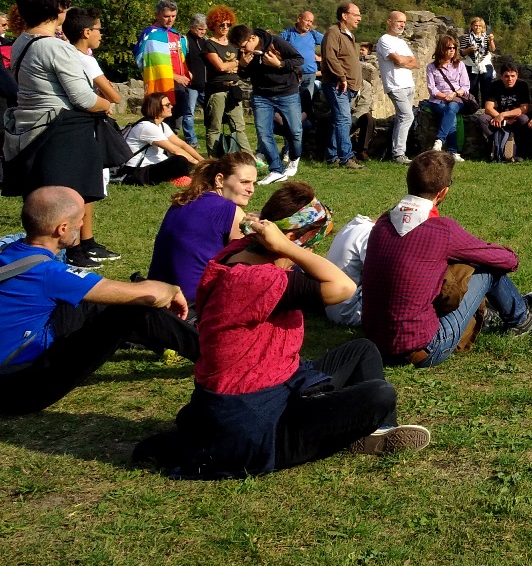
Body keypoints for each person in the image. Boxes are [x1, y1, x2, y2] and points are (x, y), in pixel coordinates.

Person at [135, 184, 430, 477]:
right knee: (379, 394)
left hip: (277, 384)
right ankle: (354, 431)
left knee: (362, 350)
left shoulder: (237, 253)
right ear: (284, 239)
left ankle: (379, 431)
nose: (308, 254)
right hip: (254, 423)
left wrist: (268, 231)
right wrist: (287, 247)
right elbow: (344, 287)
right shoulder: (259, 281)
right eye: (310, 245)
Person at [0, 186, 197, 416]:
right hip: (18, 387)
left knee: (96, 302)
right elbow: (148, 295)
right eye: (80, 219)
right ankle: (219, 359)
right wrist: (170, 289)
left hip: (17, 357)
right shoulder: (49, 273)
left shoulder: (9, 250)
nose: (82, 225)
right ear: (62, 228)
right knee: (134, 309)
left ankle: (157, 337)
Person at [361, 151, 532, 367]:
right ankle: (522, 319)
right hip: (423, 348)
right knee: (489, 269)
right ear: (443, 192)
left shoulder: (382, 224)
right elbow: (506, 260)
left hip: (374, 343)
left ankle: (495, 311)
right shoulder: (442, 230)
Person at [2, 0, 121, 267]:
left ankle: (51, 258)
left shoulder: (22, 42)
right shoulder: (56, 48)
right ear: (58, 8)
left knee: (45, 203)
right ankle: (65, 259)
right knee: (65, 203)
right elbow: (83, 98)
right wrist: (108, 105)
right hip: (61, 134)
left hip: (33, 131)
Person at [149, 152, 258, 304]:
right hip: (192, 304)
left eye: (254, 183)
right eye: (245, 182)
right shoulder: (229, 211)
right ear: (220, 180)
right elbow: (250, 266)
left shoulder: (183, 201)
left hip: (155, 296)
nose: (251, 189)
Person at [231, 23, 305, 182]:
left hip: (287, 92)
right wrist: (242, 66)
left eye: (244, 47)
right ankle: (277, 169)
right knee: (263, 133)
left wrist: (280, 64)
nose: (243, 51)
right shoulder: (244, 50)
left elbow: (299, 60)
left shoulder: (275, 42)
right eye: (240, 48)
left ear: (252, 38)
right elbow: (244, 76)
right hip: (261, 95)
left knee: (295, 131)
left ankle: (294, 158)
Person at [119, 92, 204, 187]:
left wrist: (202, 160)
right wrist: (199, 164)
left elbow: (182, 144)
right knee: (180, 160)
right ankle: (177, 178)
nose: (171, 106)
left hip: (155, 164)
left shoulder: (162, 125)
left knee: (183, 160)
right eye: (167, 105)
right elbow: (175, 150)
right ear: (156, 107)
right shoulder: (146, 127)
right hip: (138, 170)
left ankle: (180, 177)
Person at [321, 1, 365, 170]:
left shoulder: (349, 35)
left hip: (348, 86)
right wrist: (342, 77)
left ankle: (333, 156)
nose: (359, 18)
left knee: (338, 121)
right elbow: (330, 57)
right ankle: (346, 157)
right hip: (337, 85)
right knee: (344, 120)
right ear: (344, 16)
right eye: (356, 14)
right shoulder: (334, 32)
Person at [200, 6, 249, 154]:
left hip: (234, 88)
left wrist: (235, 66)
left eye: (228, 24)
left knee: (239, 126)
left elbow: (243, 65)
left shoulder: (233, 43)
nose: (225, 27)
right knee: (214, 127)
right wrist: (236, 64)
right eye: (222, 24)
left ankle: (249, 158)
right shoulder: (209, 44)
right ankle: (213, 160)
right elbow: (220, 67)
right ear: (213, 25)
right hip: (217, 90)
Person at [376, 11, 419, 164]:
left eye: (404, 22)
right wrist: (404, 60)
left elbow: (416, 63)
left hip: (408, 84)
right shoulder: (384, 40)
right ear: (389, 22)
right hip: (395, 85)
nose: (402, 25)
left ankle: (398, 151)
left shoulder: (401, 42)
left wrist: (403, 60)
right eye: (399, 21)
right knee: (407, 116)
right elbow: (398, 60)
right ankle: (398, 154)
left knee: (403, 118)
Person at [134, 0, 191, 110]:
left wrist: (186, 73)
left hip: (180, 86)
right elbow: (149, 63)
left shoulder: (175, 35)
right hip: (161, 86)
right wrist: (174, 76)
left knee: (176, 123)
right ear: (157, 15)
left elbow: (181, 57)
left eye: (173, 16)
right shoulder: (150, 35)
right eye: (166, 16)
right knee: (161, 119)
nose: (170, 20)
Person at [65, 6, 123, 109]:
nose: (101, 35)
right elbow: (116, 98)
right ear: (87, 32)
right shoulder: (86, 60)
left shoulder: (66, 54)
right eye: (99, 30)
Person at [424, 35, 470, 160]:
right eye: (449, 48)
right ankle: (453, 152)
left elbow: (465, 86)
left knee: (451, 108)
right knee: (451, 116)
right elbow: (432, 89)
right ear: (441, 49)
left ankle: (439, 140)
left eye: (454, 48)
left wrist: (453, 94)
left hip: (457, 98)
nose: (452, 50)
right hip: (438, 100)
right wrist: (444, 96)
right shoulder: (431, 67)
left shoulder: (459, 65)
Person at [323, 213, 374, 326]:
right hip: (348, 311)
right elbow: (383, 274)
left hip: (332, 302)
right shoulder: (369, 234)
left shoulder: (355, 226)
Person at [475, 62, 532, 162]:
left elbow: (524, 108)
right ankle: (491, 151)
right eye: (506, 76)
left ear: (517, 75)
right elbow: (488, 108)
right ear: (501, 76)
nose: (510, 79)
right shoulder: (494, 85)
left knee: (524, 119)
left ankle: (519, 153)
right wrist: (503, 119)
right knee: (482, 119)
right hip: (497, 119)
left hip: (514, 118)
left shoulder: (522, 85)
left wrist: (504, 115)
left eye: (512, 76)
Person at [281, 10, 324, 132]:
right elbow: (276, 46)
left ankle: (306, 129)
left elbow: (329, 42)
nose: (309, 24)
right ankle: (292, 127)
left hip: (310, 75)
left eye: (311, 21)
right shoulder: (287, 34)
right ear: (299, 19)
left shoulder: (313, 35)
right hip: (293, 75)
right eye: (307, 20)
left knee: (307, 103)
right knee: (292, 103)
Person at [180, 12, 210, 146]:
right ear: (192, 27)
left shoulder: (206, 41)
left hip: (205, 83)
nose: (202, 32)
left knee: (211, 111)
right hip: (191, 84)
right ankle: (191, 140)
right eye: (200, 29)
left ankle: (212, 137)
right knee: (189, 113)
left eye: (204, 29)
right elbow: (180, 60)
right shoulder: (184, 41)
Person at [459, 17, 497, 106]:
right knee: (472, 88)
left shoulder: (487, 37)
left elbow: (492, 49)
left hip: (485, 65)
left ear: (483, 27)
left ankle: (486, 107)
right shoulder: (466, 38)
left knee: (486, 87)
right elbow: (462, 53)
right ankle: (473, 107)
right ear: (472, 26)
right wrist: (469, 49)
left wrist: (491, 40)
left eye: (480, 26)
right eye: (475, 25)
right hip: (471, 65)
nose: (477, 27)